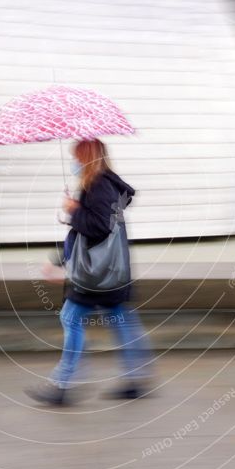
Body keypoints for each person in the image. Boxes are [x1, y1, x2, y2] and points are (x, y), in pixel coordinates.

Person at [26, 138, 155, 406]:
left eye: (77, 156)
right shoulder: (100, 184)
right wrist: (60, 257)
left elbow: (99, 227)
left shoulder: (99, 185)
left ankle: (64, 384)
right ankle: (137, 378)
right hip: (108, 273)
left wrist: (74, 211)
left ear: (87, 157)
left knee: (71, 317)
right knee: (121, 320)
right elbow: (85, 232)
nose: (74, 162)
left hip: (96, 275)